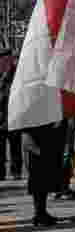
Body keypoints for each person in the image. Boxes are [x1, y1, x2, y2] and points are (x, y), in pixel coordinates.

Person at [0, 48, 22, 181]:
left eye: (7, 59)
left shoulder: (17, 73)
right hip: (1, 116)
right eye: (3, 59)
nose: (5, 62)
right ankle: (1, 173)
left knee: (15, 146)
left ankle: (16, 171)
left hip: (13, 116)